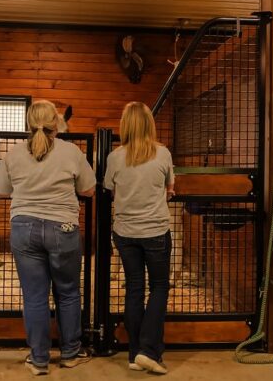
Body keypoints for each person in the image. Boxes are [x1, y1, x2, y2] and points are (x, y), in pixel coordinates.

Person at [0, 99, 96, 376]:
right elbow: (88, 189)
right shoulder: (71, 151)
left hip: (24, 228)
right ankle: (70, 353)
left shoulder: (14, 153)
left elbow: (0, 190)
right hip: (63, 227)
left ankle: (38, 359)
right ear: (56, 124)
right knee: (68, 292)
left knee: (34, 296)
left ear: (28, 124)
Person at [104, 101, 174, 375]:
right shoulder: (163, 153)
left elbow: (110, 188)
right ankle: (149, 350)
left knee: (134, 288)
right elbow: (169, 188)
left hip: (125, 232)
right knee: (159, 287)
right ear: (149, 124)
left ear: (125, 126)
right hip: (155, 231)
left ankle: (135, 354)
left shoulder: (114, 157)